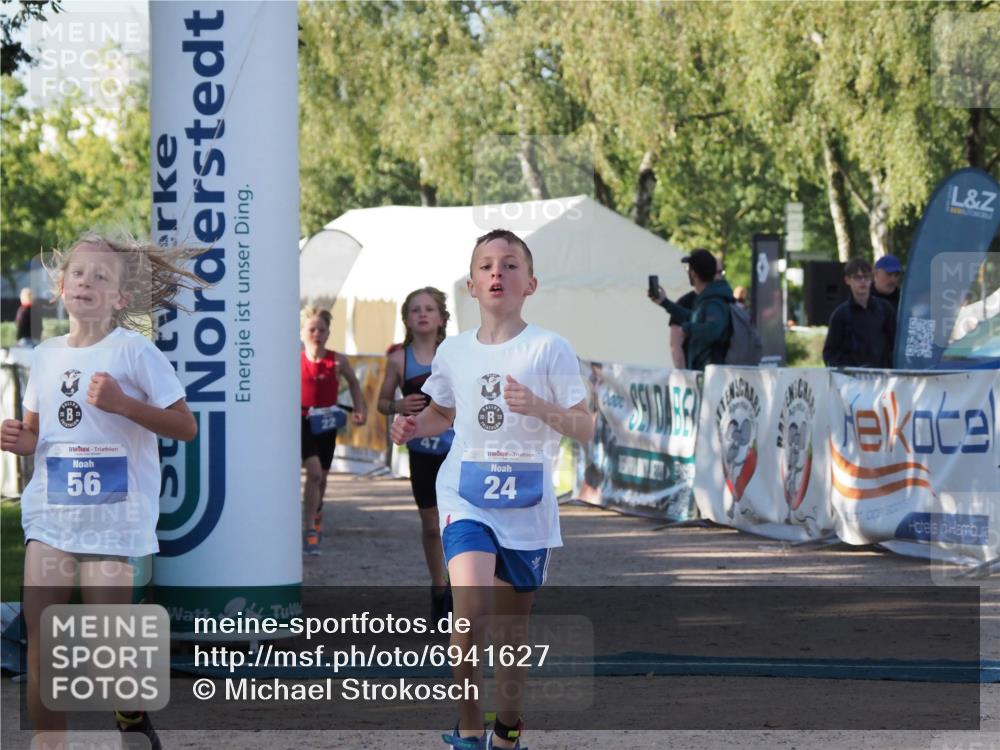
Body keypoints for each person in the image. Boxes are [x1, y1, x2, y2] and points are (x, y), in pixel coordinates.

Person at [390, 229, 593, 750]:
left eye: (509, 265)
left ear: (531, 283)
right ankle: (468, 726)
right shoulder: (454, 351)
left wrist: (538, 406)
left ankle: (507, 729)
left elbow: (585, 426)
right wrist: (412, 427)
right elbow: (441, 412)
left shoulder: (550, 348)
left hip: (526, 506)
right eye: (486, 266)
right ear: (472, 286)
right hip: (465, 495)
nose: (497, 272)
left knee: (511, 633)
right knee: (470, 607)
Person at [1, 232, 202, 750]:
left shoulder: (135, 352)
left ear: (120, 297)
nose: (86, 282)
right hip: (50, 517)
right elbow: (37, 434)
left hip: (112, 521)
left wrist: (122, 404)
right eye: (78, 273)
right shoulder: (44, 356)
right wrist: (18, 439)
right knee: (42, 641)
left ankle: (129, 713)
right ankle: (50, 743)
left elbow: (185, 427)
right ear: (61, 287)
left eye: (100, 276)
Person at [377, 287, 455, 621]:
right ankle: (439, 588)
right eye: (415, 310)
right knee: (431, 525)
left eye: (429, 309)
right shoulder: (398, 360)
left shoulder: (455, 355)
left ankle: (460, 588)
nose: (422, 314)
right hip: (421, 452)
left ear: (442, 318)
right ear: (407, 319)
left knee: (460, 522)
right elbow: (382, 403)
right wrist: (399, 405)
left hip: (455, 448)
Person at [300, 306, 367, 556]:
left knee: (323, 477)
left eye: (321, 330)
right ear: (302, 332)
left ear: (328, 333)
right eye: (312, 329)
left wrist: (359, 408)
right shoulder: (294, 361)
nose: (316, 334)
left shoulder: (337, 361)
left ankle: (316, 510)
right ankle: (309, 530)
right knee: (314, 473)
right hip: (302, 421)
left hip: (326, 422)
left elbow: (354, 384)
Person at [648, 248, 734, 371]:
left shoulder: (714, 301)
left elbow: (713, 330)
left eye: (688, 269)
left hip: (711, 375)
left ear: (693, 273)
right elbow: (695, 317)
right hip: (708, 373)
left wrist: (687, 328)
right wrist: (664, 302)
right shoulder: (709, 297)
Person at [822, 257, 896, 368]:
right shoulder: (840, 315)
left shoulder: (885, 309)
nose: (863, 281)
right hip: (851, 376)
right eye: (857, 277)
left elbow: (894, 344)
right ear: (847, 280)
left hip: (882, 374)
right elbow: (830, 353)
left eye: (866, 277)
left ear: (872, 279)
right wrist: (846, 371)